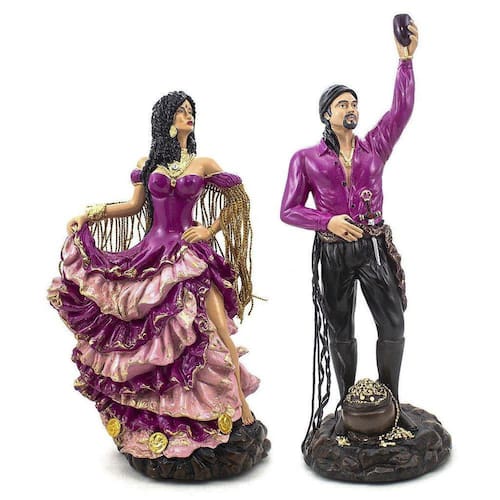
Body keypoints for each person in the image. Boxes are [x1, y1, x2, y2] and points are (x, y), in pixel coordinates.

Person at [48, 91, 264, 466]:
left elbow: (238, 201)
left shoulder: (204, 163)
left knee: (217, 330)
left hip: (191, 255)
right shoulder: (148, 164)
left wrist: (209, 230)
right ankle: (167, 415)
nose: (188, 116)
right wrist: (90, 213)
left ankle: (240, 404)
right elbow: (133, 206)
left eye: (191, 111)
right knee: (157, 340)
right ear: (167, 119)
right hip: (154, 255)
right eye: (181, 111)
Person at [280, 23, 419, 439]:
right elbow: (288, 210)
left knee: (393, 324)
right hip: (334, 253)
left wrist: (405, 61)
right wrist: (327, 221)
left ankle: (391, 404)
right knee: (341, 329)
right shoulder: (305, 158)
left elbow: (401, 111)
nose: (351, 108)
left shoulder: (375, 145)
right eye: (342, 104)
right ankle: (345, 406)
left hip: (373, 246)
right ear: (327, 113)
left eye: (354, 103)